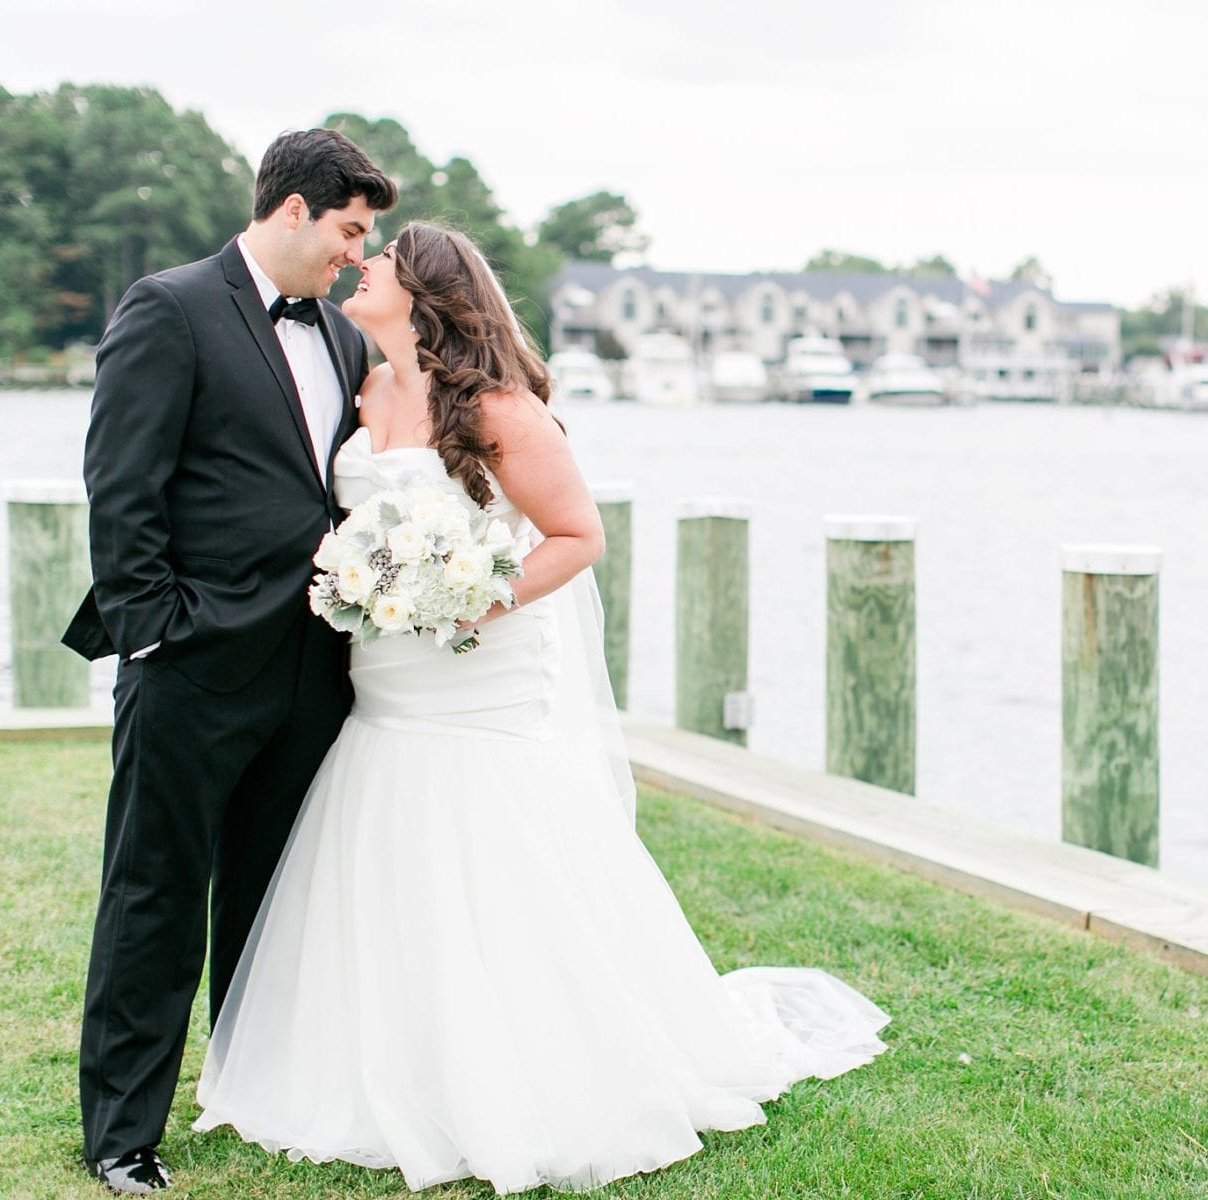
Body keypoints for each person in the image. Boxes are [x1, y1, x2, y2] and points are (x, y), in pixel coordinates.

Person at [191, 222, 890, 1194]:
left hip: (475, 666)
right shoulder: (368, 387)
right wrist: (365, 579)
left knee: (490, 853)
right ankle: (375, 1069)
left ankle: (532, 1066)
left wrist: (470, 592)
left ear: (425, 289)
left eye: (379, 259)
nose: (361, 266)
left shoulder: (496, 408)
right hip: (386, 680)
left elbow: (576, 535)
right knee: (382, 841)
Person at [61, 129, 398, 1194]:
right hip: (194, 661)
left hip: (313, 666)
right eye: (349, 230)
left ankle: (252, 1092)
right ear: (292, 211)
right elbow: (121, 486)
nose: (355, 254)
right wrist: (156, 627)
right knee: (157, 892)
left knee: (271, 895)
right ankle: (124, 1135)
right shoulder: (169, 306)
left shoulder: (343, 340)